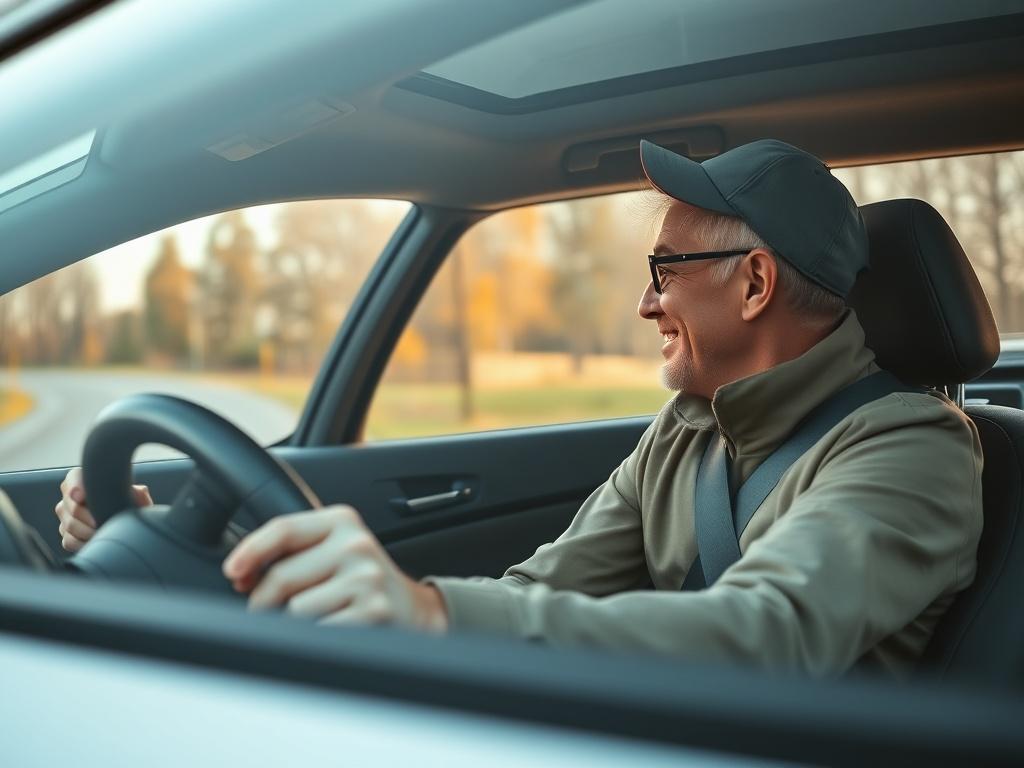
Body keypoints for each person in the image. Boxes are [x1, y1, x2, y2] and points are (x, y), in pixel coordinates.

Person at [54, 139, 983, 677]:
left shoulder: (913, 451)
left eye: (664, 272)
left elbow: (766, 634)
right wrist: (197, 559)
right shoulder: (689, 430)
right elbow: (539, 594)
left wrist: (427, 617)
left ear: (753, 285)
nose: (645, 303)